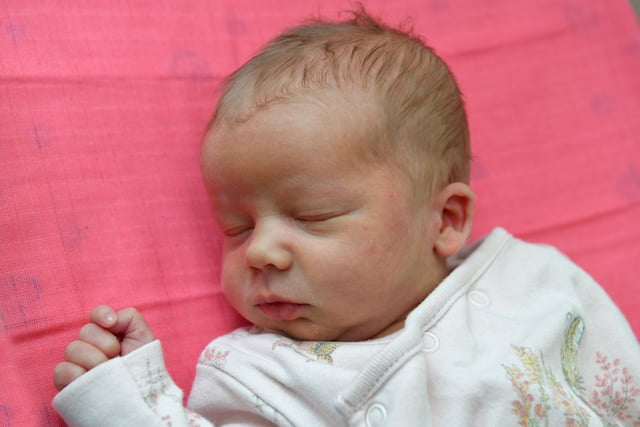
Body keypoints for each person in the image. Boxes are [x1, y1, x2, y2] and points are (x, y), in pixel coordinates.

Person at [52, 9, 640, 427]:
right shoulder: (264, 374)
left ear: (446, 219)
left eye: (312, 215)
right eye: (236, 228)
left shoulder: (533, 282)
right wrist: (133, 398)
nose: (259, 252)